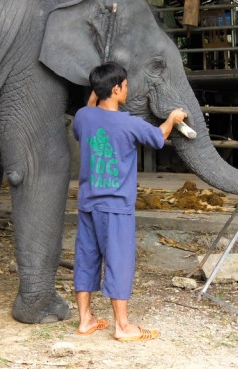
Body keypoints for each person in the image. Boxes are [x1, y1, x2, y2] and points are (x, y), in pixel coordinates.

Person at [72, 62, 187, 342]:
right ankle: (122, 326)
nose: (128, 88)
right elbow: (159, 137)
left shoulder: (83, 117)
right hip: (116, 207)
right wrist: (172, 118)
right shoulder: (130, 123)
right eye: (124, 84)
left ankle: (85, 319)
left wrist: (95, 96)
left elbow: (88, 110)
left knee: (86, 258)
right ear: (116, 89)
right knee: (119, 261)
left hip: (88, 204)